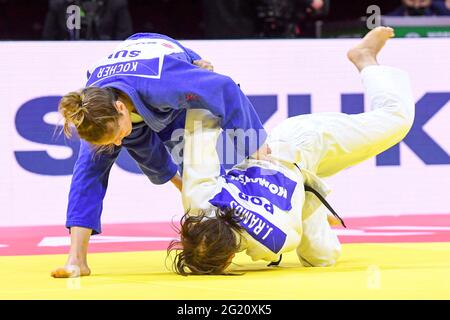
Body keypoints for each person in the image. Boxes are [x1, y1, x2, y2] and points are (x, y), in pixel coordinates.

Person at [169, 27, 416, 275]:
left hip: (304, 145)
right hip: (292, 170)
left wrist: (203, 88)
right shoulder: (201, 203)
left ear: (230, 258)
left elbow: (198, 147)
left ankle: (365, 57)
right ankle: (317, 205)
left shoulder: (277, 241)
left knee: (397, 119)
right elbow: (197, 144)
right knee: (323, 258)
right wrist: (200, 90)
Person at [51, 32, 269, 278]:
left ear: (120, 109)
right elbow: (143, 150)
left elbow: (224, 88)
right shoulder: (93, 109)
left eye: (117, 135)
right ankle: (76, 260)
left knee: (198, 167)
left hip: (168, 73)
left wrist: (255, 144)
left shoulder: (164, 84)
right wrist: (176, 181)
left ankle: (216, 245)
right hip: (127, 91)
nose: (118, 144)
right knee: (88, 168)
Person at [43, 0, 133, 40]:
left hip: (106, 56)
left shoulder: (117, 4)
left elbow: (125, 37)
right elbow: (47, 38)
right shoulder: (58, 4)